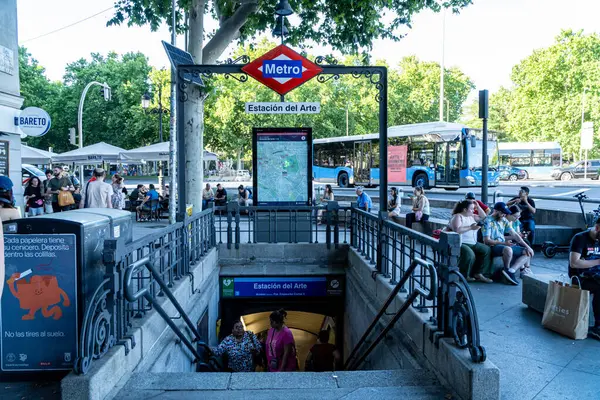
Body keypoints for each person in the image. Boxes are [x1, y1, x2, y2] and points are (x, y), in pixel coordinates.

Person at [482, 202, 534, 285]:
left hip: (504, 245)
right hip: (494, 246)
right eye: (502, 212)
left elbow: (515, 234)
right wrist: (504, 243)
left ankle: (511, 271)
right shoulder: (488, 221)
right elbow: (486, 240)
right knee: (508, 249)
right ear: (495, 210)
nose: (504, 214)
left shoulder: (504, 220)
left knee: (528, 252)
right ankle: (506, 269)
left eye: (505, 213)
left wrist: (528, 247)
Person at [568, 218, 600, 340]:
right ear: (597, 228)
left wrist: (591, 263)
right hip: (581, 277)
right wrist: (597, 262)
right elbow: (574, 263)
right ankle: (598, 326)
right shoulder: (580, 238)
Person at [449, 200, 493, 283]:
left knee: (486, 250)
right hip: (462, 242)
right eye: (472, 209)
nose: (473, 210)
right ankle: (465, 275)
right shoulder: (458, 216)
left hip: (473, 242)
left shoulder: (471, 216)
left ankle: (479, 273)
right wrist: (471, 228)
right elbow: (457, 230)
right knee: (470, 254)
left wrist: (478, 206)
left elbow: (483, 217)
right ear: (465, 209)